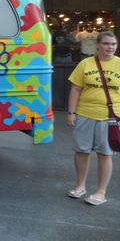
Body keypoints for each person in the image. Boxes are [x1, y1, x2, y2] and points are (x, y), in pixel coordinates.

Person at [66, 31, 119, 206]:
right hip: (85, 114)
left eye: (113, 44)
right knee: (82, 151)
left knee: (105, 153)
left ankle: (101, 192)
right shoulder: (85, 64)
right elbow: (75, 89)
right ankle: (80, 186)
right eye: (106, 43)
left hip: (110, 117)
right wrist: (71, 113)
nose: (110, 47)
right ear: (98, 45)